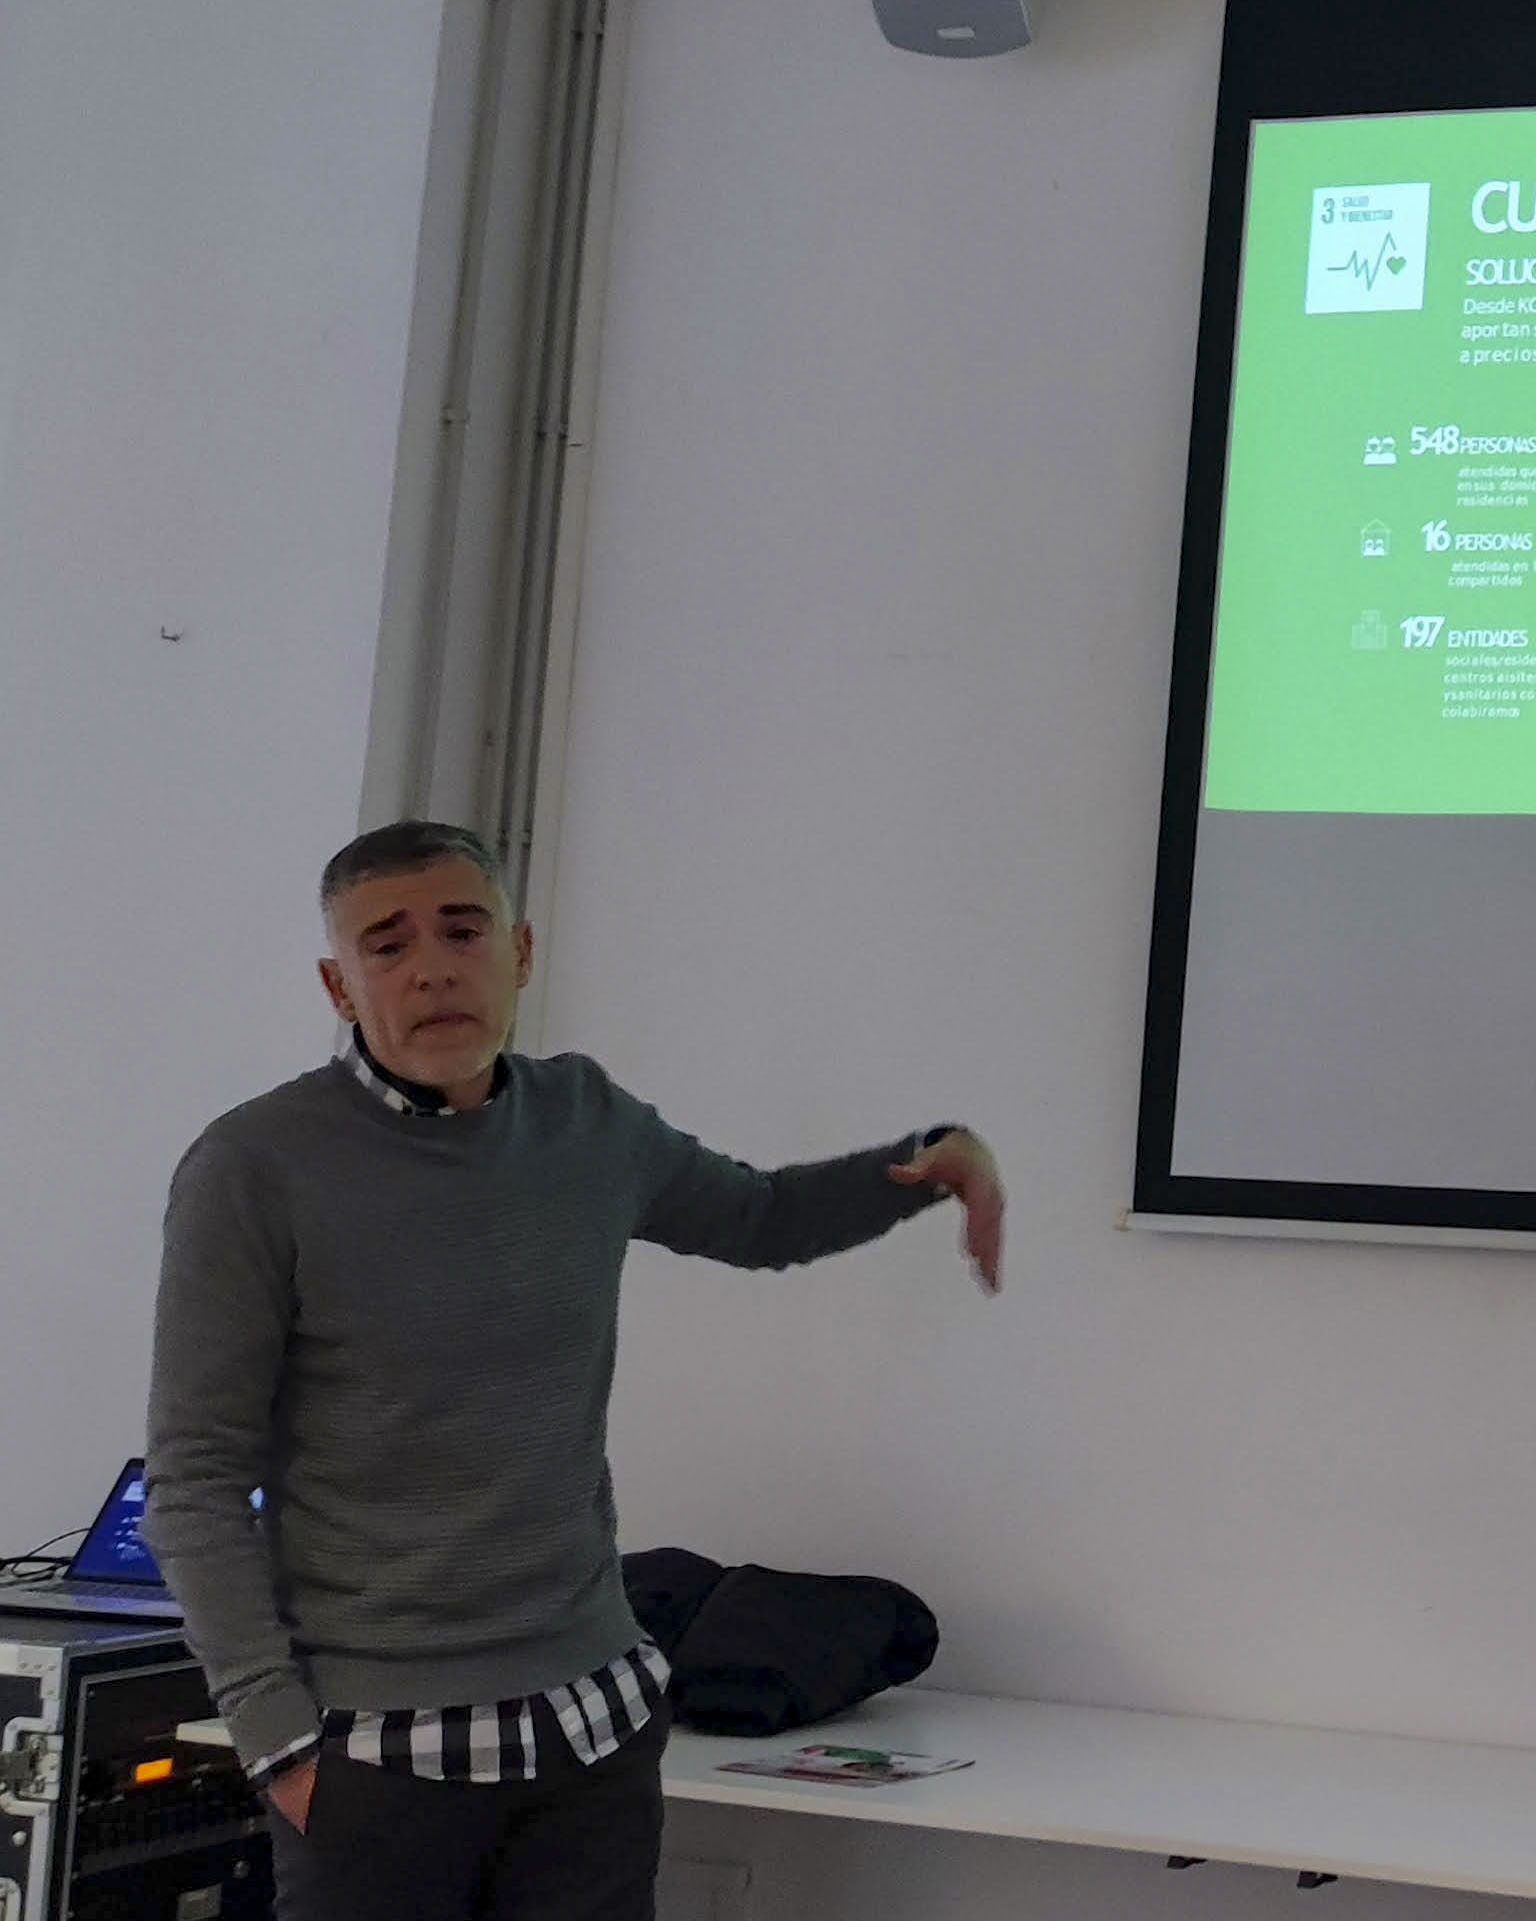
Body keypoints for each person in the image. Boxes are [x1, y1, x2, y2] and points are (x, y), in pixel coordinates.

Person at [143, 820, 1006, 1921]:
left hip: (592, 1733)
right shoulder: (254, 1167)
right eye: (388, 944)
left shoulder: (588, 1121)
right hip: (376, 1754)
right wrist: (274, 1735)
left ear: (521, 952)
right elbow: (196, 1478)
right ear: (339, 984)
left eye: (463, 931)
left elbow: (761, 1215)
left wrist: (929, 1164)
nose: (431, 967)